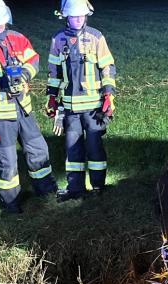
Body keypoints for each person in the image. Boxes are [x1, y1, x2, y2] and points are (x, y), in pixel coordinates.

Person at [0, 0, 56, 213]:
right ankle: (11, 204)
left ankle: (47, 192)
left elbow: (33, 59)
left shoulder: (17, 38)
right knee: (7, 161)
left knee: (38, 150)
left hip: (23, 109)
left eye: (1, 22)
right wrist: (0, 83)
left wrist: (24, 73)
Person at [46, 0, 116, 200]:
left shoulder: (96, 37)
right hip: (70, 108)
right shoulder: (58, 39)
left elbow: (107, 67)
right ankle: (75, 188)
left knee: (95, 147)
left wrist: (108, 94)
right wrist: (52, 97)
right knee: (72, 149)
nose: (77, 19)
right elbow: (54, 71)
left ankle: (98, 187)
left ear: (87, 15)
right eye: (73, 16)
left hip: (94, 107)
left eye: (81, 15)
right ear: (65, 16)